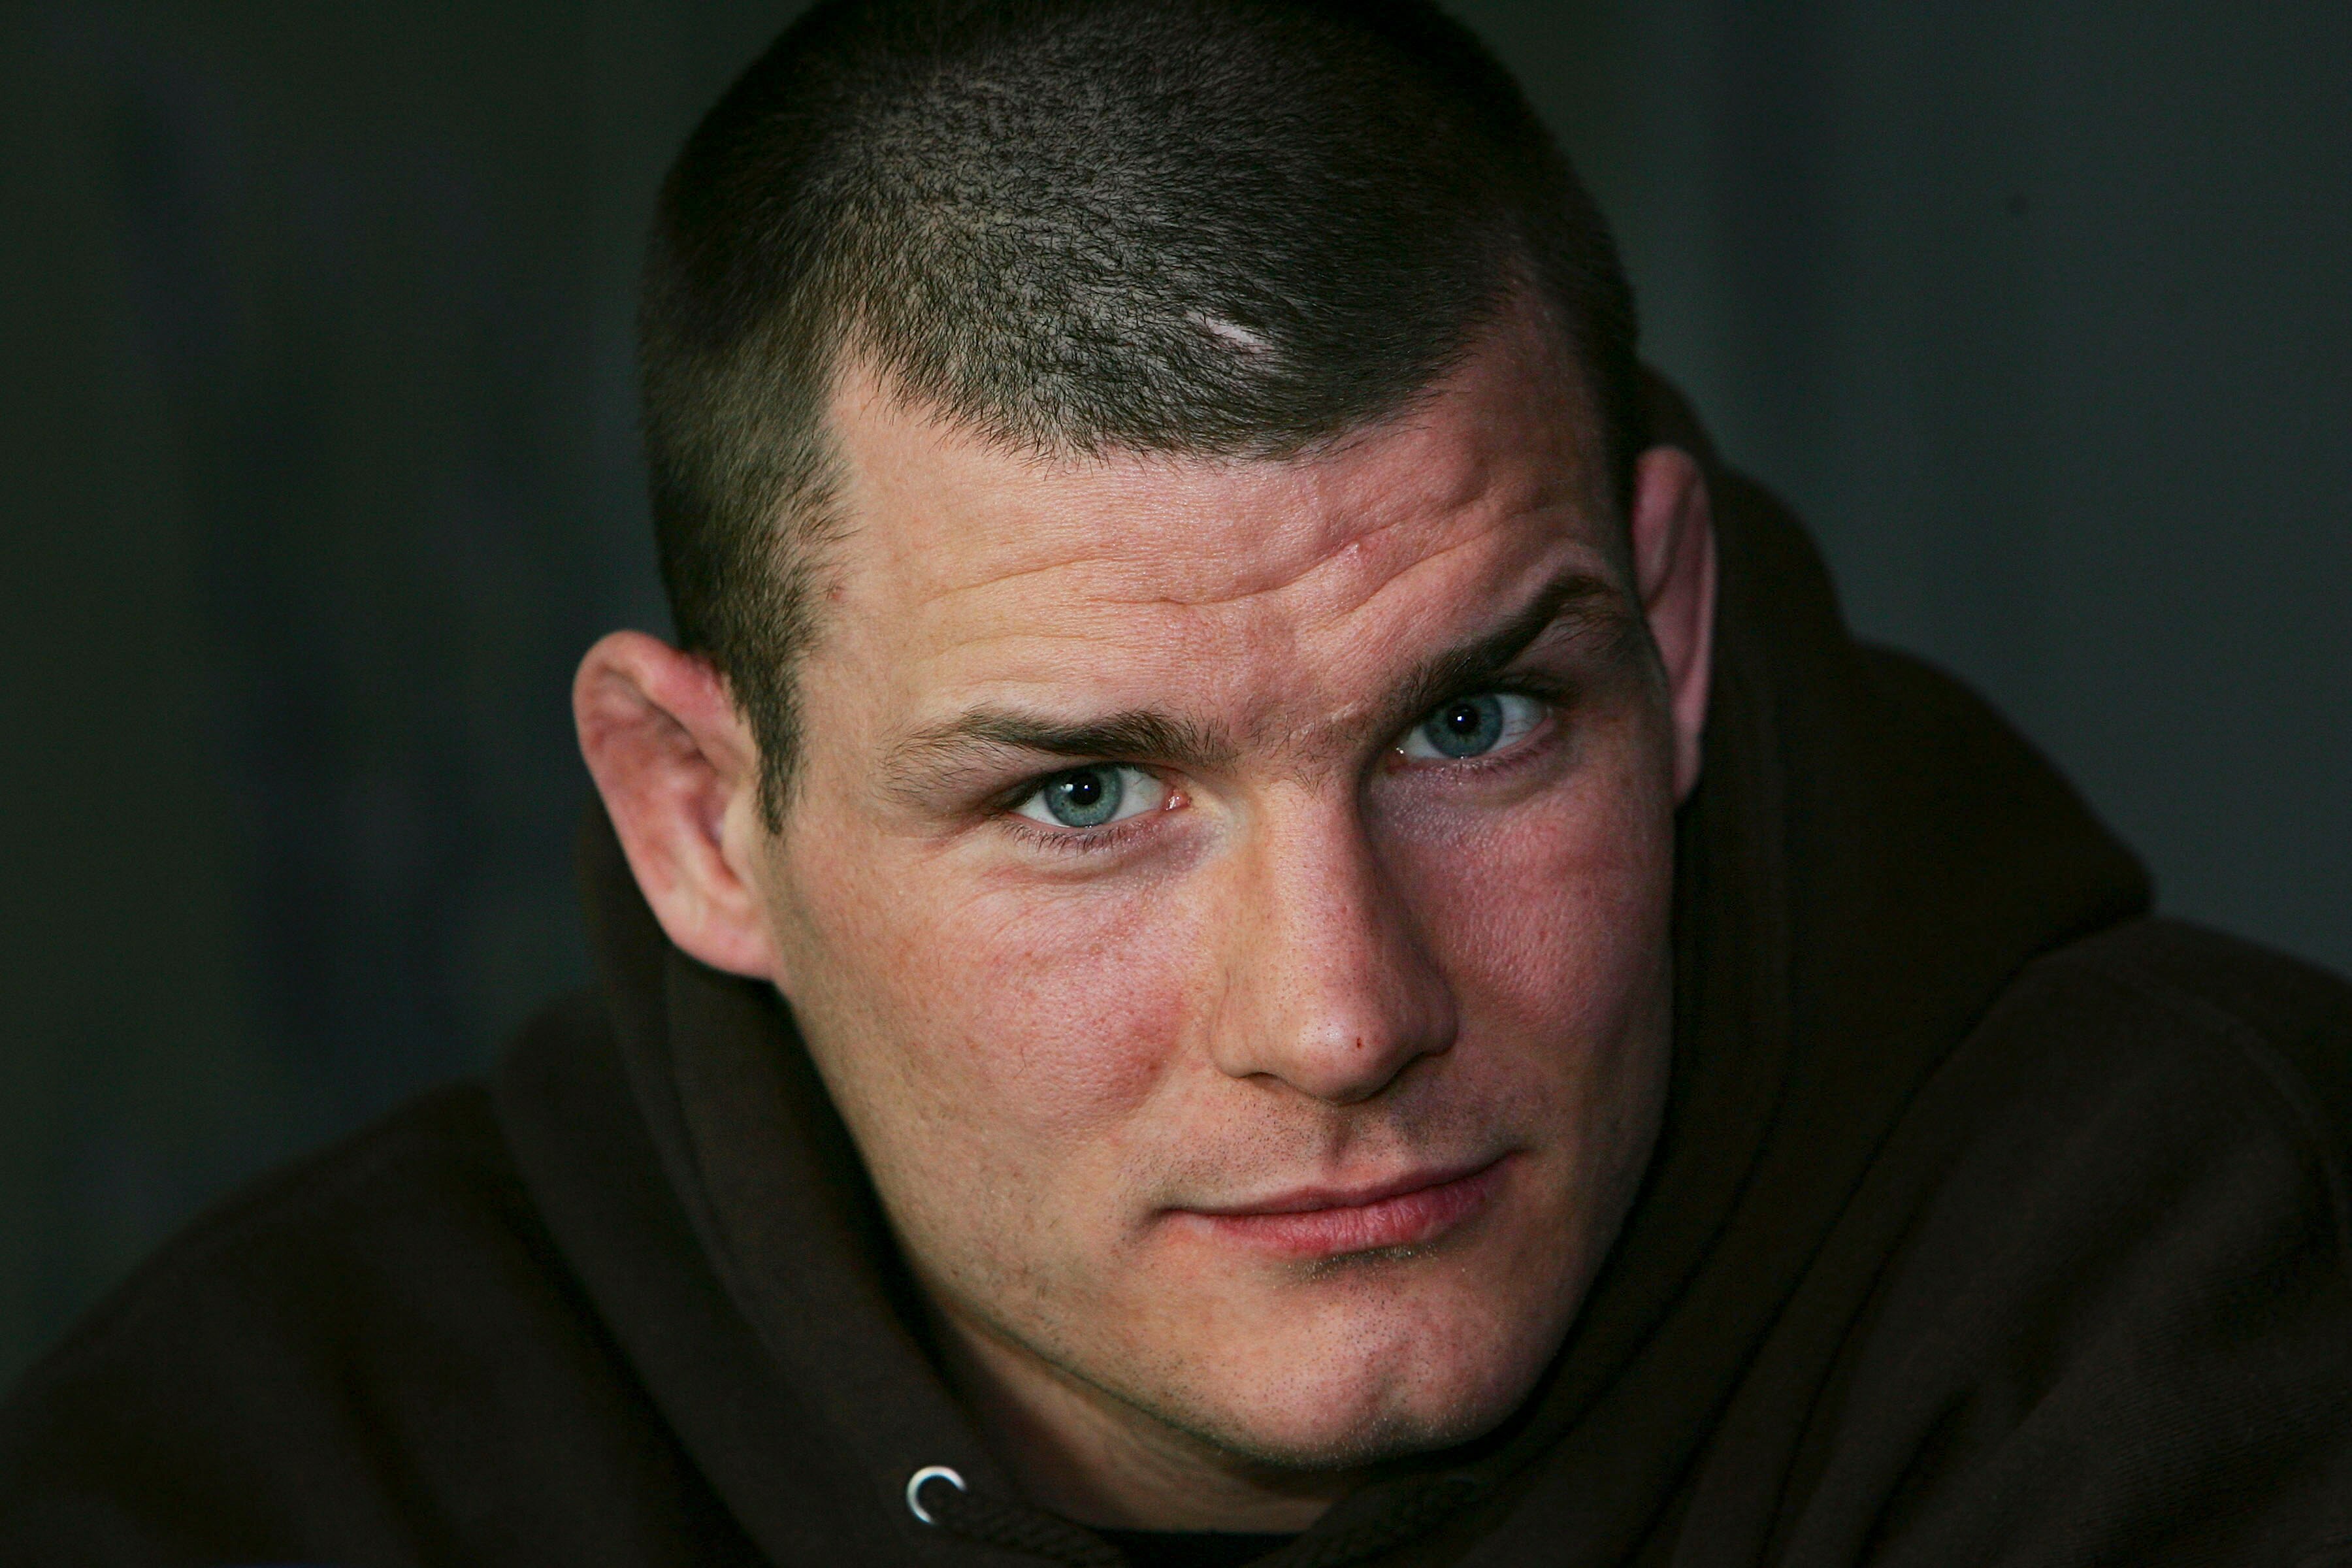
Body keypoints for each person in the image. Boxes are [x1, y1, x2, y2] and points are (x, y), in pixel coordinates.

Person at [6, 0, 2351, 1562]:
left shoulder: (2204, 1280)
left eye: (1471, 726)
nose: (1341, 1019)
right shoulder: (272, 1486)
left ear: (1672, 625)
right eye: (1083, 799)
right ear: (702, 815)